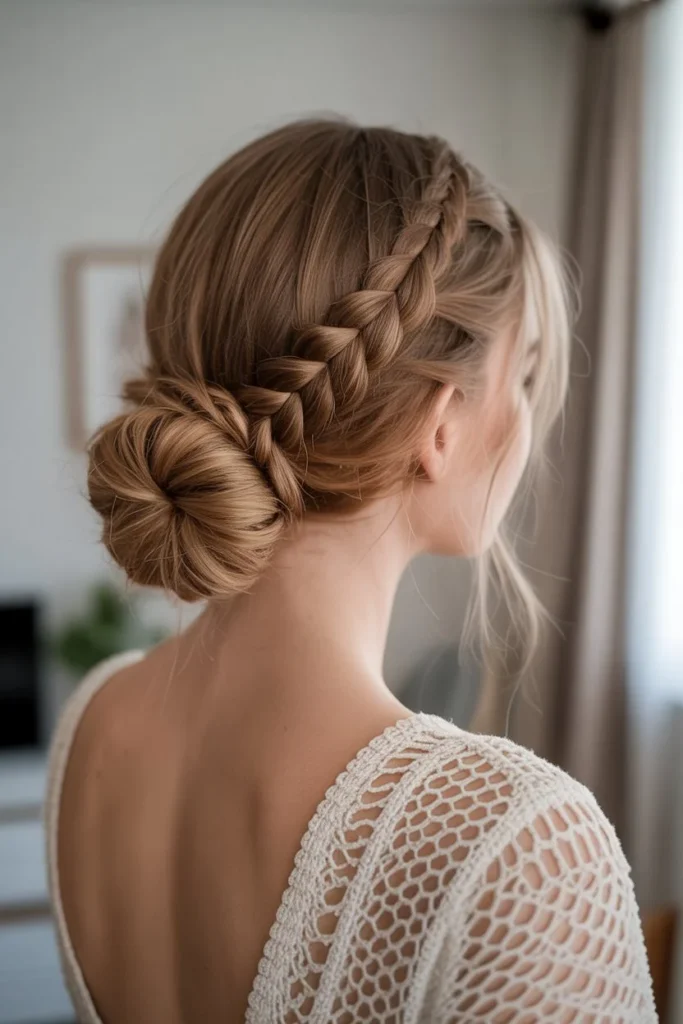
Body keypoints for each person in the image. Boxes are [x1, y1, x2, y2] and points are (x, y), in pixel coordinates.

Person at [45, 120, 656, 1023]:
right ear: (440, 426)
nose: (530, 420)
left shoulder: (93, 725)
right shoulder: (515, 848)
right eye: (521, 377)